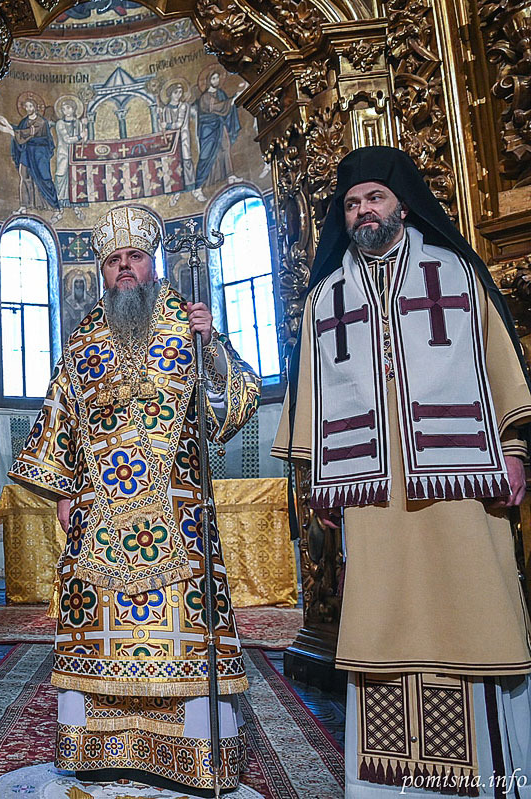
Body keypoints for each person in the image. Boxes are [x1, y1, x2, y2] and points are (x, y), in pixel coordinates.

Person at [273, 146, 531, 796]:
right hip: (372, 498)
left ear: (403, 205)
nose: (363, 211)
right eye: (352, 203)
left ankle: (494, 779)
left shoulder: (456, 274)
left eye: (375, 198)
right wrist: (316, 485)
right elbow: (312, 397)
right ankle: (393, 786)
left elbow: (500, 370)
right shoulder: (326, 298)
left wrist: (514, 451)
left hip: (460, 488)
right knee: (384, 629)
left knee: (475, 619)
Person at [9, 204, 260, 794]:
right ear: (101, 271)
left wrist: (212, 346)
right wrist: (64, 490)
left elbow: (233, 410)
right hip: (99, 515)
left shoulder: (190, 327)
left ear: (154, 263)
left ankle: (193, 753)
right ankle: (98, 749)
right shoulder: (83, 340)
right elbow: (59, 419)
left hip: (177, 515)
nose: (125, 268)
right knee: (99, 633)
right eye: (114, 260)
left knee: (183, 636)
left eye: (136, 257)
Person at [0, 93, 61, 217]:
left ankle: (55, 207)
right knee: (24, 176)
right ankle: (24, 205)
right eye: (26, 106)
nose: (28, 108)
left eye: (30, 106)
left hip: (39, 154)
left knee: (44, 178)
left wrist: (10, 130)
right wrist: (9, 125)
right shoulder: (24, 121)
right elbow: (21, 132)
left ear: (35, 107)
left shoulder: (41, 122)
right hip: (26, 152)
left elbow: (29, 133)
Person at [192, 67, 242, 202]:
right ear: (209, 81)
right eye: (213, 78)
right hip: (208, 130)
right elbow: (216, 107)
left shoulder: (221, 93)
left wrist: (231, 101)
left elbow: (225, 110)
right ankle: (198, 188)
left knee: (226, 147)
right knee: (206, 155)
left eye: (217, 78)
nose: (216, 80)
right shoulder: (205, 97)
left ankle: (230, 176)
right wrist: (232, 100)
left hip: (220, 125)